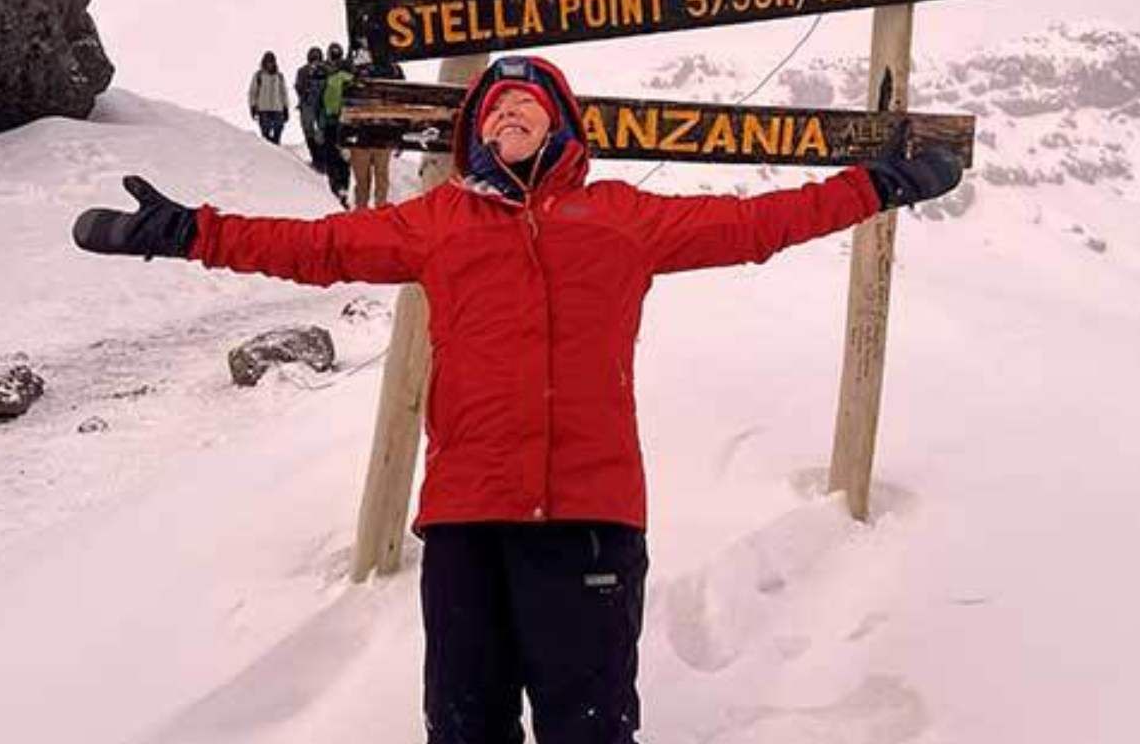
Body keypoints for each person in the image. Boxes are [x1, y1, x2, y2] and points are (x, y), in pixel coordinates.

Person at [70, 54, 962, 744]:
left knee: (590, 728)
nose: (508, 108)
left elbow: (758, 225)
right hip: (465, 524)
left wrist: (874, 186)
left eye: (528, 98)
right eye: (493, 104)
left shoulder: (623, 215)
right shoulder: (438, 221)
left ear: (563, 122)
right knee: (465, 729)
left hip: (590, 517)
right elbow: (318, 247)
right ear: (475, 136)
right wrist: (189, 233)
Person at [347, 46, 406, 209]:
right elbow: (401, 102)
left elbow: (348, 104)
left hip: (361, 134)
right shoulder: (395, 71)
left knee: (362, 183)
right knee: (381, 179)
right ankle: (380, 216)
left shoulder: (359, 72)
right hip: (383, 132)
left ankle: (361, 218)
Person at [319, 44, 355, 208]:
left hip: (331, 122)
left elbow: (325, 104)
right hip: (348, 123)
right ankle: (345, 187)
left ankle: (336, 187)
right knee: (344, 158)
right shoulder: (352, 78)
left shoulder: (330, 79)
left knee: (331, 156)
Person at [295, 46, 331, 172]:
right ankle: (324, 161)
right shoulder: (328, 69)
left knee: (309, 132)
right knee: (322, 132)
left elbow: (299, 87)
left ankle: (316, 160)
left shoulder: (302, 71)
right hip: (324, 106)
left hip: (307, 106)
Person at [247, 51, 290, 145]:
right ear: (264, 62)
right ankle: (268, 156)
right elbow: (252, 92)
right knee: (265, 137)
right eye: (268, 62)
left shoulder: (279, 76)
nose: (270, 64)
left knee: (278, 134)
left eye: (272, 61)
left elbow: (284, 93)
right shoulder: (258, 75)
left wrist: (286, 108)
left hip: (277, 109)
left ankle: (277, 154)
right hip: (263, 110)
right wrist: (253, 106)